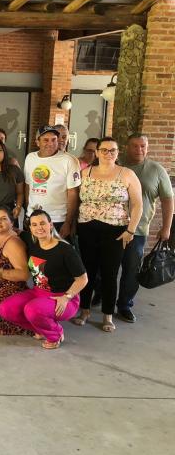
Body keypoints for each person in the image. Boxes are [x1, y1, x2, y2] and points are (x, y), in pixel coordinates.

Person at [72, 137, 142, 333]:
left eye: (112, 150)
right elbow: (76, 200)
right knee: (87, 271)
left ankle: (107, 315)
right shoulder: (85, 173)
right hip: (87, 228)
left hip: (116, 231)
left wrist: (131, 230)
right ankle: (84, 311)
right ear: (97, 152)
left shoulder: (126, 174)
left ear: (118, 153)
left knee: (110, 273)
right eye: (104, 150)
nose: (108, 154)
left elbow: (137, 205)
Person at [0, 209, 88, 349]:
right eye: (34, 225)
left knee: (32, 309)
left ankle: (55, 334)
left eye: (42, 223)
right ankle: (40, 329)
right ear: (30, 228)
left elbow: (83, 279)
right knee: (6, 308)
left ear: (51, 225)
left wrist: (66, 297)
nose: (39, 228)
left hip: (62, 298)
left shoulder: (65, 250)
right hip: (38, 292)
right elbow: (11, 230)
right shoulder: (31, 240)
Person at [115, 134, 174, 322]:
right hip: (112, 226)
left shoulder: (156, 170)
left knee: (132, 269)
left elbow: (167, 199)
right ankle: (100, 295)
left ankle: (124, 305)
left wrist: (167, 228)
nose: (139, 150)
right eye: (135, 146)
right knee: (105, 266)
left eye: (143, 146)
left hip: (138, 231)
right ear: (126, 146)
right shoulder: (117, 166)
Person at [24, 126, 81, 238]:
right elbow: (28, 186)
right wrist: (28, 212)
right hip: (34, 218)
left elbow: (73, 193)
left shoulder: (69, 160)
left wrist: (68, 222)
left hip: (57, 219)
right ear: (37, 142)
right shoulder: (30, 158)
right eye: (45, 140)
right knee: (34, 254)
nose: (50, 143)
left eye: (54, 139)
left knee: (56, 254)